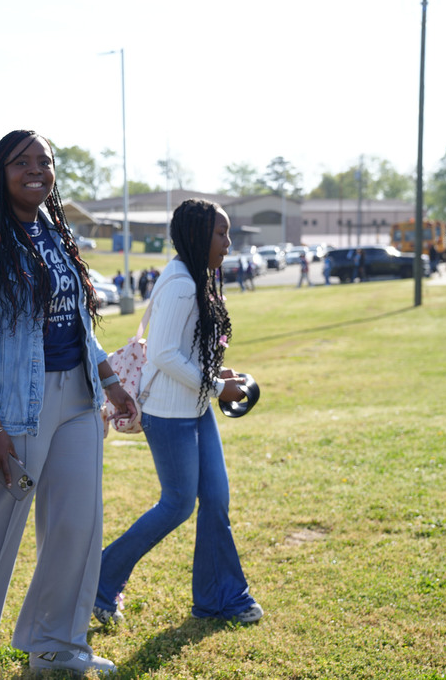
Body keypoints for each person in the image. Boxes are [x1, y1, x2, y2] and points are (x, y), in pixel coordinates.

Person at [0, 130, 135, 680]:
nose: (35, 170)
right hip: (12, 410)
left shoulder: (54, 233)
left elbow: (78, 322)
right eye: (20, 161)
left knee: (77, 527)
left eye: (43, 161)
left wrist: (111, 382)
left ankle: (56, 648)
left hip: (77, 398)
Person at [93, 199, 263, 628]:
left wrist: (215, 375)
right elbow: (165, 354)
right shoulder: (182, 283)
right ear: (196, 236)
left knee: (216, 501)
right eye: (221, 234)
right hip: (169, 414)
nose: (228, 242)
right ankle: (99, 579)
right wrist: (219, 386)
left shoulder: (192, 274)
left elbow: (180, 350)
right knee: (178, 504)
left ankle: (220, 597)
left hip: (196, 407)